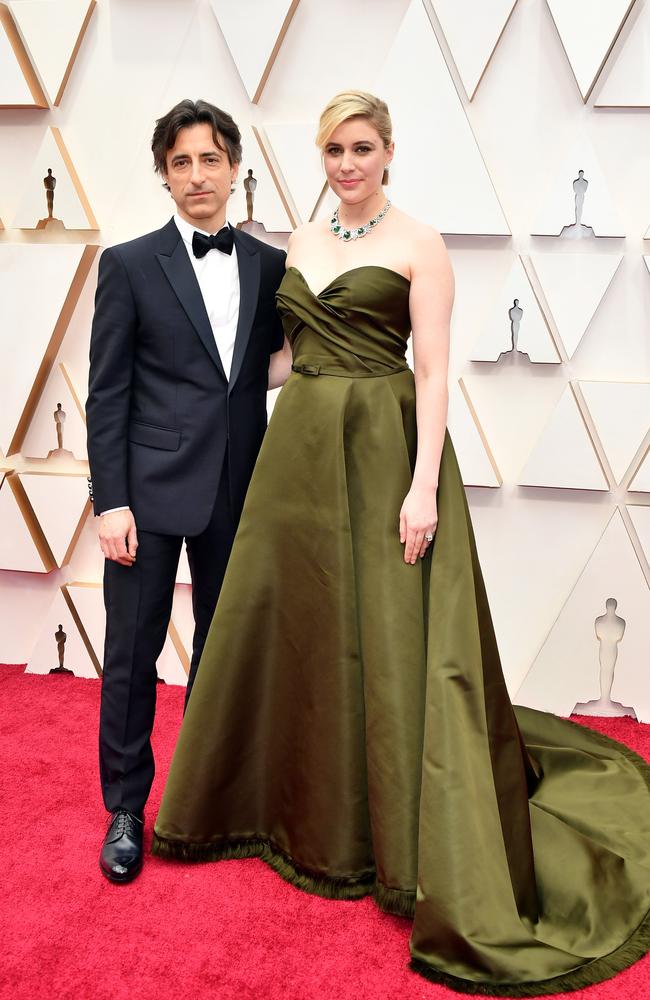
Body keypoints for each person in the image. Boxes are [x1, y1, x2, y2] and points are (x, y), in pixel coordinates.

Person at [152, 92, 650, 994]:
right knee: (304, 633)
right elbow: (285, 358)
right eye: (334, 149)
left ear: (388, 152)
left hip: (386, 453)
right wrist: (192, 381)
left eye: (363, 148)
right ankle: (286, 817)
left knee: (385, 637)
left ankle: (391, 839)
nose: (347, 163)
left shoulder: (421, 244)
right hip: (298, 458)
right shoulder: (298, 242)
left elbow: (431, 370)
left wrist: (422, 488)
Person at [86, 98, 289, 884]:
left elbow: (264, 369)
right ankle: (127, 808)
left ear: (235, 168)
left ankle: (207, 795)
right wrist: (111, 501)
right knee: (133, 655)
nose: (197, 175)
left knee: (225, 647)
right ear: (164, 175)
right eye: (181, 162)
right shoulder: (130, 263)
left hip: (240, 484)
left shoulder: (271, 265)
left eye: (210, 159)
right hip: (146, 489)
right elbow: (108, 392)